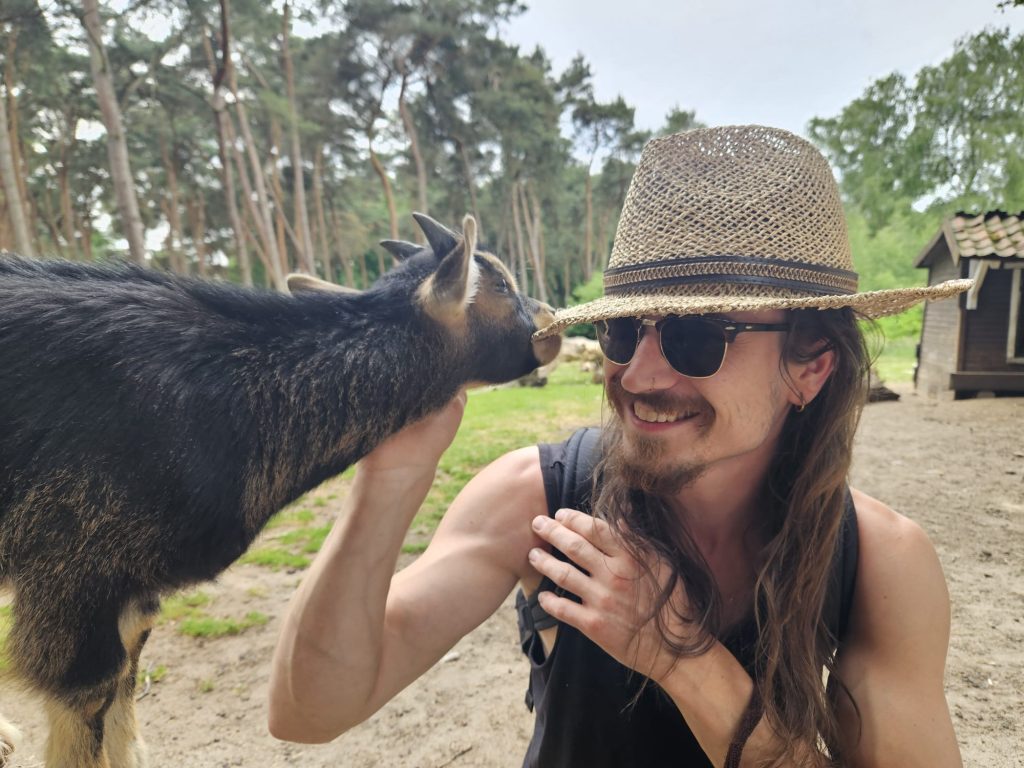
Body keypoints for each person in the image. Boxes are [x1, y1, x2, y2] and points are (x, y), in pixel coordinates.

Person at [267, 125, 971, 767]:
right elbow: (308, 713)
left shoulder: (880, 562)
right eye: (623, 331)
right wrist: (389, 474)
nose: (637, 376)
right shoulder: (538, 502)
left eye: (698, 338)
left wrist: (681, 656)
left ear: (810, 367)